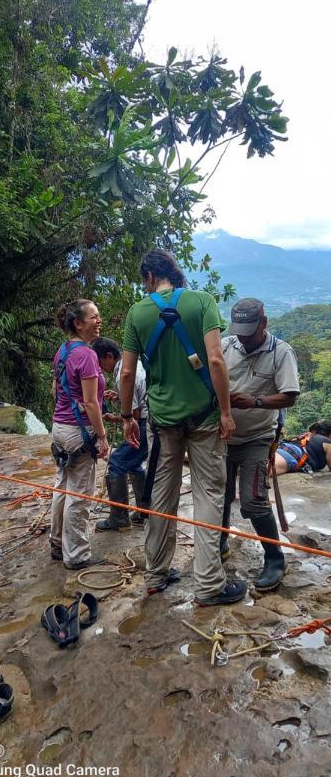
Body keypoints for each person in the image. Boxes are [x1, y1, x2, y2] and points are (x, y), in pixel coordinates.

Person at [119, 248, 247, 605]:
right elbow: (216, 360)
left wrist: (129, 417)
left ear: (148, 277)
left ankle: (156, 575)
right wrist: (225, 412)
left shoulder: (137, 312)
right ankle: (208, 585)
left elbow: (127, 372)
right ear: (174, 274)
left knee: (161, 497)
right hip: (204, 417)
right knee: (208, 495)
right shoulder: (202, 301)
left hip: (161, 422)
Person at [221, 298, 300, 591]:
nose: (243, 336)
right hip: (223, 436)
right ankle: (219, 543)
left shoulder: (281, 352)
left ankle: (274, 557)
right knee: (221, 495)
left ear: (264, 324)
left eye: (250, 330)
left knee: (253, 500)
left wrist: (255, 401)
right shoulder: (226, 346)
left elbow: (289, 395)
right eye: (239, 330)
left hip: (257, 437)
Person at [50, 299, 110, 570]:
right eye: (93, 317)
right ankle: (76, 554)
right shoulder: (86, 355)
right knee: (80, 493)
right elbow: (90, 403)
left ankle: (57, 544)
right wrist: (102, 435)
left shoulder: (62, 351)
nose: (99, 321)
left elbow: (56, 390)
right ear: (78, 323)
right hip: (79, 431)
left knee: (62, 486)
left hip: (60, 427)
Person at [92, 337, 148, 531]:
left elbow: (135, 415)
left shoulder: (123, 374)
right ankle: (144, 510)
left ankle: (119, 517)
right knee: (132, 463)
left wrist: (115, 418)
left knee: (116, 462)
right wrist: (118, 398)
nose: (99, 367)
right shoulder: (133, 363)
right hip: (150, 421)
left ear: (108, 356)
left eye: (99, 362)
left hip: (145, 424)